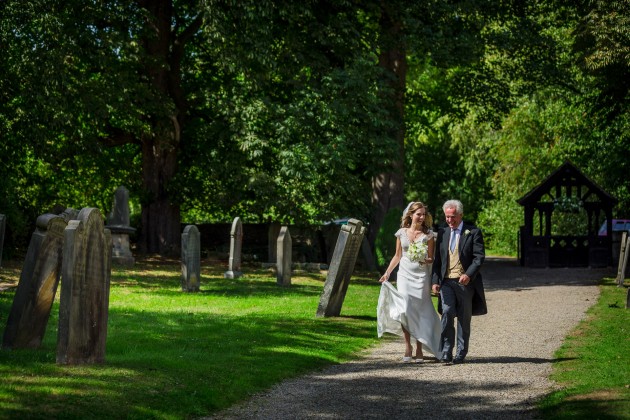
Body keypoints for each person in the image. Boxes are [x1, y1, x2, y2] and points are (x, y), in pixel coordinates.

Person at [377, 201, 441, 363]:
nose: (421, 217)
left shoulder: (429, 235)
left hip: (421, 276)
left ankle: (419, 347)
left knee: (419, 310)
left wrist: (423, 259)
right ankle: (408, 346)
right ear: (410, 215)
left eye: (423, 214)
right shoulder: (401, 233)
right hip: (404, 275)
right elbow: (397, 256)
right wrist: (387, 273)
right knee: (405, 309)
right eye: (418, 214)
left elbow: (431, 258)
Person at [431, 199, 487, 365]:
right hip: (446, 281)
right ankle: (446, 351)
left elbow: (479, 258)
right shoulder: (442, 233)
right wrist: (435, 280)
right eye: (447, 217)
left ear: (461, 215)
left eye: (453, 217)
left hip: (465, 283)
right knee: (447, 312)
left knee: (463, 318)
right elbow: (438, 260)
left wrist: (469, 275)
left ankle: (461, 353)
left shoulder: (473, 232)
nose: (449, 220)